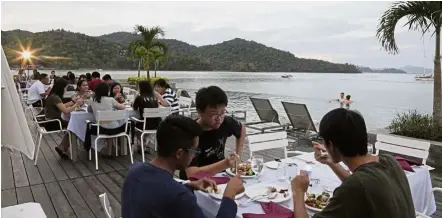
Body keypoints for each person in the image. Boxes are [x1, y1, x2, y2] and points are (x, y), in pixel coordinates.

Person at [290, 108, 415, 218]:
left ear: (331, 146)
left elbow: (357, 186)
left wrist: (298, 191)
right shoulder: (389, 161)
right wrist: (331, 161)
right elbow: (361, 186)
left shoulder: (354, 187)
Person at [122, 115, 244, 218]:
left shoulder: (135, 170)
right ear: (180, 153)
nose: (194, 156)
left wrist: (189, 185)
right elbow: (171, 194)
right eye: (194, 151)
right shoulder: (180, 198)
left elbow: (157, 189)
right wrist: (230, 195)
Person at [180, 86, 246, 180]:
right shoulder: (191, 134)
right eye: (213, 114)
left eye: (223, 112)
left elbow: (242, 129)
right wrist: (225, 164)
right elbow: (192, 174)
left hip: (220, 176)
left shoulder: (225, 122)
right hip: (195, 183)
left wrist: (238, 156)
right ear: (200, 112)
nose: (219, 118)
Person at [44, 78, 83, 158]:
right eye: (66, 87)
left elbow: (62, 106)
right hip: (53, 122)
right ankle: (63, 147)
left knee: (73, 125)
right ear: (62, 87)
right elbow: (65, 111)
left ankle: (62, 147)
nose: (66, 89)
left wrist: (73, 102)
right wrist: (76, 104)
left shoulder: (53, 96)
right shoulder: (55, 98)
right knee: (75, 126)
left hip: (50, 120)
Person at [132, 81, 169, 151]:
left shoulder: (139, 97)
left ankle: (143, 143)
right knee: (147, 125)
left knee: (135, 127)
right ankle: (146, 142)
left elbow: (134, 108)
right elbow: (157, 106)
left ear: (141, 88)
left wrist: (135, 98)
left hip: (145, 124)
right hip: (157, 123)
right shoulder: (154, 97)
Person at [90, 82, 126, 151]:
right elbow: (122, 107)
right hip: (114, 129)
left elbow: (89, 110)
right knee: (113, 123)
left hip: (100, 128)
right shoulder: (110, 100)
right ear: (107, 91)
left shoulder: (92, 100)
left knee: (108, 124)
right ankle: (110, 149)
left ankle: (108, 149)